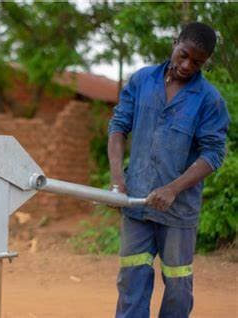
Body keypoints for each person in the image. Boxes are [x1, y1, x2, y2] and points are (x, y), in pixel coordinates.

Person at [108, 22, 229, 318]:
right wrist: (117, 180)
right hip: (136, 203)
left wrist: (172, 189)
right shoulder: (142, 81)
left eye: (197, 62)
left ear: (206, 62)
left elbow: (213, 154)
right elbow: (118, 127)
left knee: (177, 286)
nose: (187, 65)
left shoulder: (209, 100)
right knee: (131, 280)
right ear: (175, 42)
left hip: (178, 212)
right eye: (183, 55)